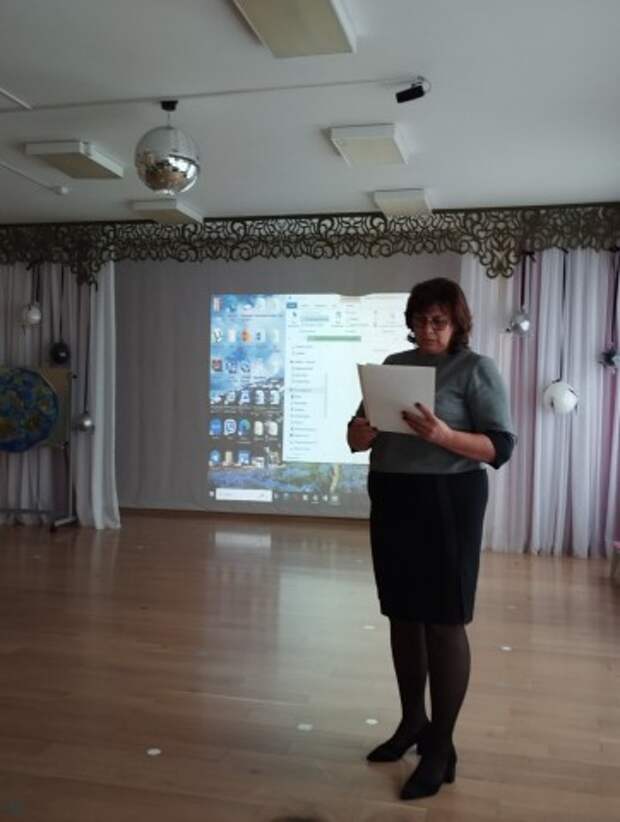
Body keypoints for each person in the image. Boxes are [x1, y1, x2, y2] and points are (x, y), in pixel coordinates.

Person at [347, 277, 515, 801]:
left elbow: (500, 447)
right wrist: (359, 435)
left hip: (448, 501)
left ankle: (440, 745)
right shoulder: (392, 366)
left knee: (443, 622)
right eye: (420, 320)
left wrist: (444, 436)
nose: (428, 329)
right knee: (402, 616)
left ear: (457, 322)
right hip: (393, 497)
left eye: (438, 321)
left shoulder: (477, 369)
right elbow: (355, 433)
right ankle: (412, 723)